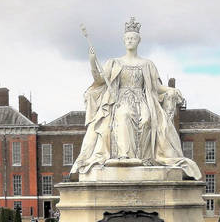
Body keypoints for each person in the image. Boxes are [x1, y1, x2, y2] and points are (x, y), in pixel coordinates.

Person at [71, 17, 202, 179]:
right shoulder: (115, 62)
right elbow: (99, 80)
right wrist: (92, 62)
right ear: (123, 41)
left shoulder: (147, 64)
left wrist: (171, 90)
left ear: (138, 41)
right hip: (121, 100)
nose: (130, 41)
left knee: (147, 119)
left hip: (142, 99)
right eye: (127, 38)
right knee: (124, 115)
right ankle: (125, 156)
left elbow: (156, 87)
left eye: (133, 38)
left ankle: (145, 158)